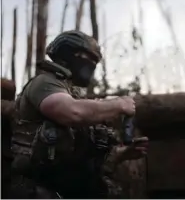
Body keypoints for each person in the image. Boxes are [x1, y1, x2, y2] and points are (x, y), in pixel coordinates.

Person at [10, 30, 149, 199]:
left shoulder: (74, 95)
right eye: (86, 57)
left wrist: (121, 154)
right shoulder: (45, 82)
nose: (91, 64)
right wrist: (119, 104)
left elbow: (80, 157)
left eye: (94, 61)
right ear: (66, 54)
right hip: (36, 188)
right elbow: (72, 112)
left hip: (68, 187)